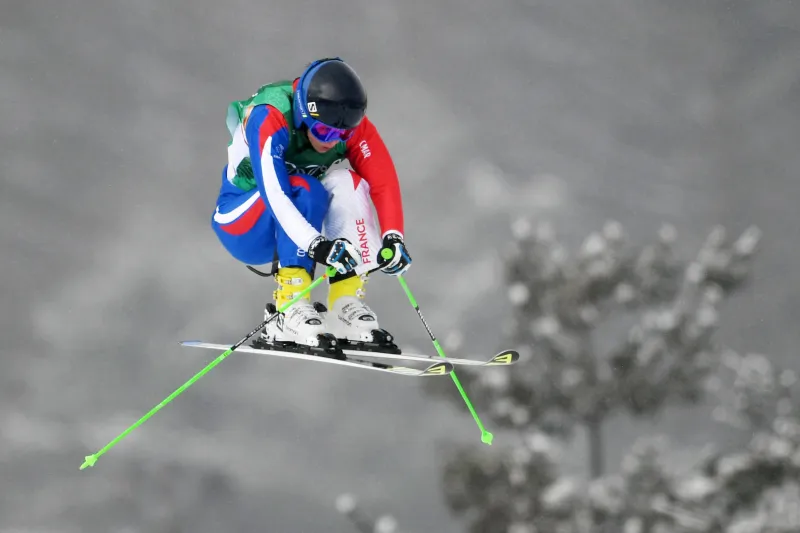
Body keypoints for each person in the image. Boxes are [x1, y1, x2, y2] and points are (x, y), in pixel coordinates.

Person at [210, 57, 412, 354]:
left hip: (297, 225)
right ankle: (288, 308)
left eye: (341, 135)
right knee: (304, 188)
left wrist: (394, 237)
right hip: (243, 224)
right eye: (324, 132)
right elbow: (275, 193)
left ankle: (345, 303)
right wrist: (317, 245)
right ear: (305, 115)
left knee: (347, 182)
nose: (332, 142)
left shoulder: (349, 125)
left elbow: (383, 182)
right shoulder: (271, 115)